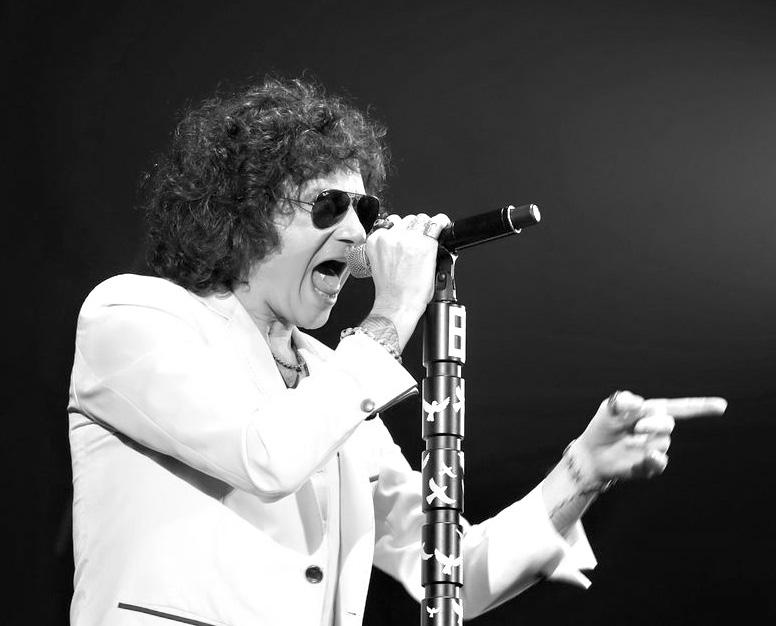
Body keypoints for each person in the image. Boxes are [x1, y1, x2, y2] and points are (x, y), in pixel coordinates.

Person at [67, 77, 726, 626]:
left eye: (365, 209)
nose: (357, 233)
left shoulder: (331, 375)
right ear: (239, 213)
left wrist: (582, 470)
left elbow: (452, 575)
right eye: (329, 205)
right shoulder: (133, 316)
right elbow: (264, 455)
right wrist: (391, 315)